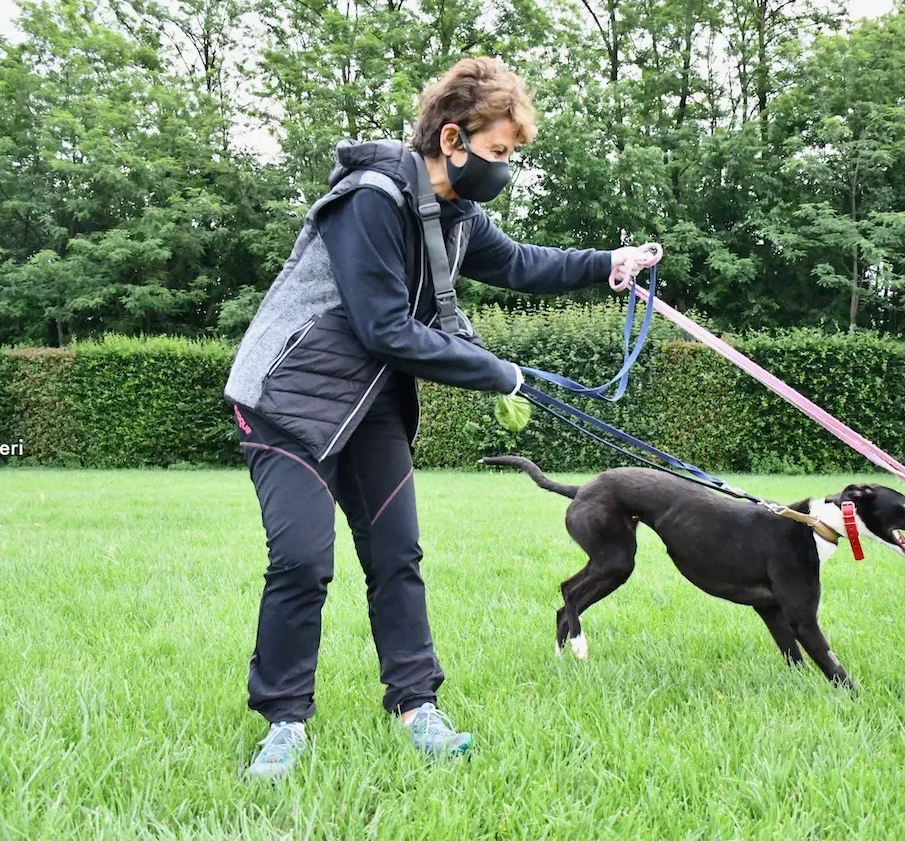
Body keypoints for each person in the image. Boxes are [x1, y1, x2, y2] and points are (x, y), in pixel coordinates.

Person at [223, 56, 662, 780]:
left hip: (370, 407)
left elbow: (523, 264)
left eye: (515, 154)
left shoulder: (456, 218)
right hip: (288, 401)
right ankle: (284, 723)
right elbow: (384, 328)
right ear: (452, 138)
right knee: (302, 562)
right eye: (500, 151)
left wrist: (609, 263)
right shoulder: (370, 199)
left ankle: (415, 706)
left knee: (398, 556)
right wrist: (502, 372)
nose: (507, 167)